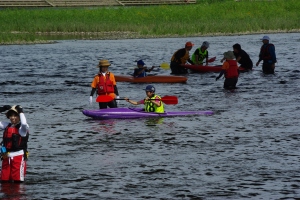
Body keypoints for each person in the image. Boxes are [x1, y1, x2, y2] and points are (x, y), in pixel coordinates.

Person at [0, 105, 29, 182]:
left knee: (18, 183)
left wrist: (21, 112)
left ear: (19, 116)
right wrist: (2, 109)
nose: (13, 117)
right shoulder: (6, 126)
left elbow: (24, 123)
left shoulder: (22, 129)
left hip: (18, 157)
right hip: (6, 156)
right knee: (4, 181)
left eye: (15, 115)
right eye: (11, 115)